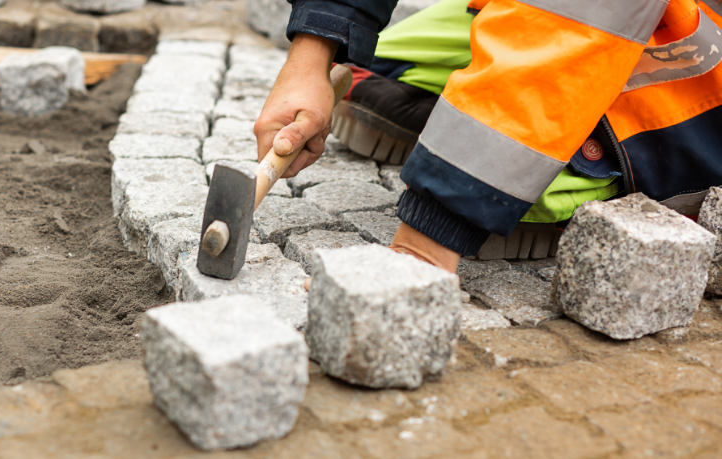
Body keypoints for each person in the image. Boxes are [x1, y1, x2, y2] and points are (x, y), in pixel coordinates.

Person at [254, 0, 722, 274]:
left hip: (693, 52)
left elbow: (577, 25)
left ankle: (516, 163)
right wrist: (314, 51)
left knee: (523, 181)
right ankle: (457, 130)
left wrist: (425, 244)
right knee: (380, 66)